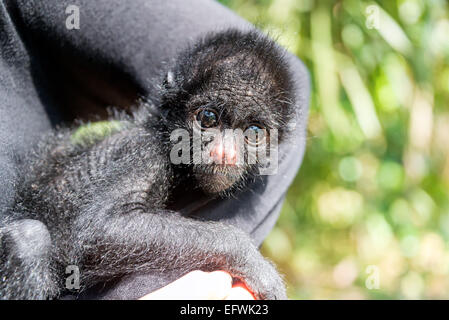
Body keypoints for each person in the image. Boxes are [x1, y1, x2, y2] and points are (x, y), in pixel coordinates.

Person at [0, 0, 309, 299]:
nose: (225, 151)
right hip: (37, 256)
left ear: (279, 137)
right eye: (208, 118)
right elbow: (101, 232)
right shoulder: (145, 149)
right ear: (172, 103)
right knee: (29, 240)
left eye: (254, 133)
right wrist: (229, 246)